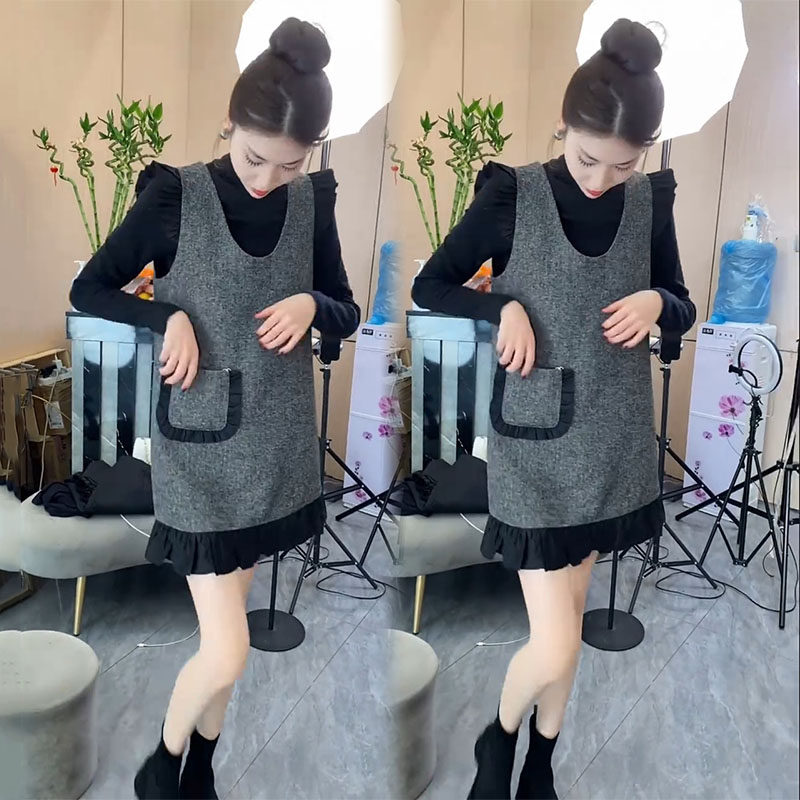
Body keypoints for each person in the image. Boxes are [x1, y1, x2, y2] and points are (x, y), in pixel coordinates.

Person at [70, 18, 359, 800]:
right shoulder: (176, 197)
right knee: (229, 649)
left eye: (290, 164)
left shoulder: (310, 203)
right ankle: (160, 768)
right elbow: (89, 288)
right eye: (255, 156)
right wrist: (166, 315)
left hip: (276, 447)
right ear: (230, 123)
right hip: (199, 451)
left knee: (221, 643)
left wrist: (312, 305)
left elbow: (345, 305)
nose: (268, 179)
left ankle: (198, 772)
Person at [412, 18, 696, 800]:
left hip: (612, 442)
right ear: (563, 125)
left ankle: (539, 767)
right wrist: (500, 305)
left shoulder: (648, 203)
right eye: (586, 157)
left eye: (623, 164)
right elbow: (431, 284)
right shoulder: (513, 196)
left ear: (643, 153)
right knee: (559, 640)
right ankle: (497, 740)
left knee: (567, 624)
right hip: (535, 447)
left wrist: (657, 303)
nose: (601, 179)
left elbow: (681, 301)